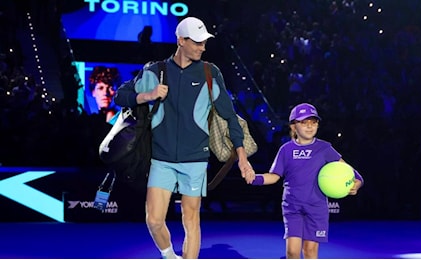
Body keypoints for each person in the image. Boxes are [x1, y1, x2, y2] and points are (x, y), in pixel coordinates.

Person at [114, 17, 256, 259]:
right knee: (154, 220)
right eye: (198, 42)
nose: (203, 47)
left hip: (195, 160)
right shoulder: (154, 71)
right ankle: (170, 256)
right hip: (161, 158)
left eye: (204, 43)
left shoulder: (210, 73)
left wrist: (242, 158)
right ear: (181, 41)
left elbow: (231, 117)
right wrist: (148, 95)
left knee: (191, 219)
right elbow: (120, 96)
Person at [250, 103, 363, 259]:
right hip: (292, 206)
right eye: (304, 122)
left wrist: (358, 182)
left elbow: (348, 170)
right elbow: (274, 176)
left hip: (317, 207)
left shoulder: (324, 148)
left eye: (313, 122)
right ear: (294, 126)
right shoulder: (286, 150)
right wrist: (254, 178)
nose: (310, 126)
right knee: (292, 252)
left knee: (310, 251)